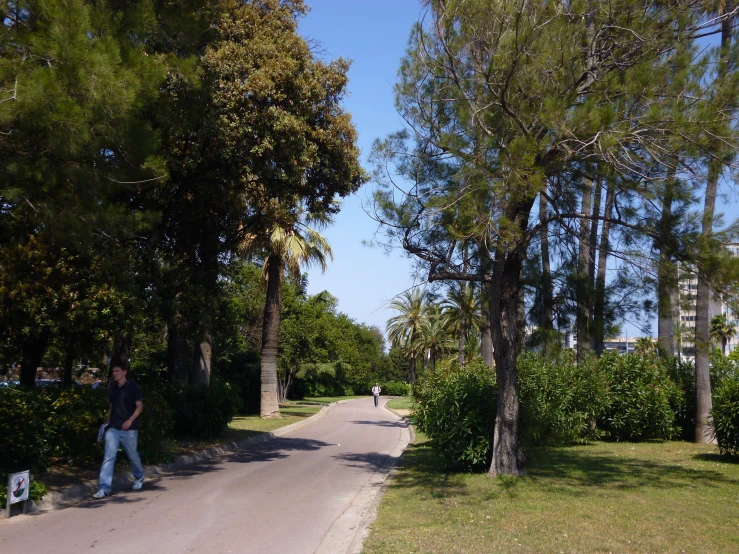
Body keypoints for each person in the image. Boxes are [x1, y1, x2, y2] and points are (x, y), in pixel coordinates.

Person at [93, 362, 145, 498]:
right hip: (113, 428)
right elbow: (111, 408)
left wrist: (130, 420)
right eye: (113, 371)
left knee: (132, 455)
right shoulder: (112, 388)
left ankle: (139, 477)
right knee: (108, 457)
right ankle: (104, 488)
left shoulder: (133, 387)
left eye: (117, 371)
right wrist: (106, 424)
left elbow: (139, 406)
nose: (114, 374)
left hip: (130, 428)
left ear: (124, 372)